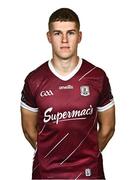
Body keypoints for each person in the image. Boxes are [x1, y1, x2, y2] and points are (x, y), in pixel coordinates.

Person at [20, 8, 115, 179]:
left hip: (89, 173)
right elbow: (28, 130)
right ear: (49, 37)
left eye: (70, 33)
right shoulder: (34, 80)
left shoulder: (97, 77)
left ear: (79, 36)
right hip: (46, 173)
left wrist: (86, 156)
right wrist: (50, 154)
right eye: (57, 33)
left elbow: (108, 128)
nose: (64, 40)